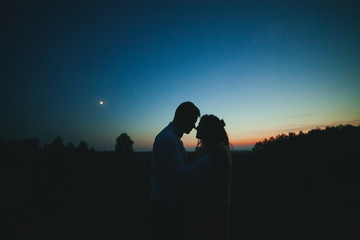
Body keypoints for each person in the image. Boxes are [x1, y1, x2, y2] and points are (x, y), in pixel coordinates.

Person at [149, 101, 201, 240]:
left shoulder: (170, 137)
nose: (194, 126)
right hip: (167, 207)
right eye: (193, 121)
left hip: (165, 204)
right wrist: (206, 161)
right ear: (183, 117)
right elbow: (180, 177)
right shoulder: (169, 139)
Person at [184, 114, 232, 240]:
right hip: (211, 211)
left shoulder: (216, 152)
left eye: (200, 125)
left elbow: (189, 175)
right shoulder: (212, 150)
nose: (196, 127)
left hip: (211, 213)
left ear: (207, 130)